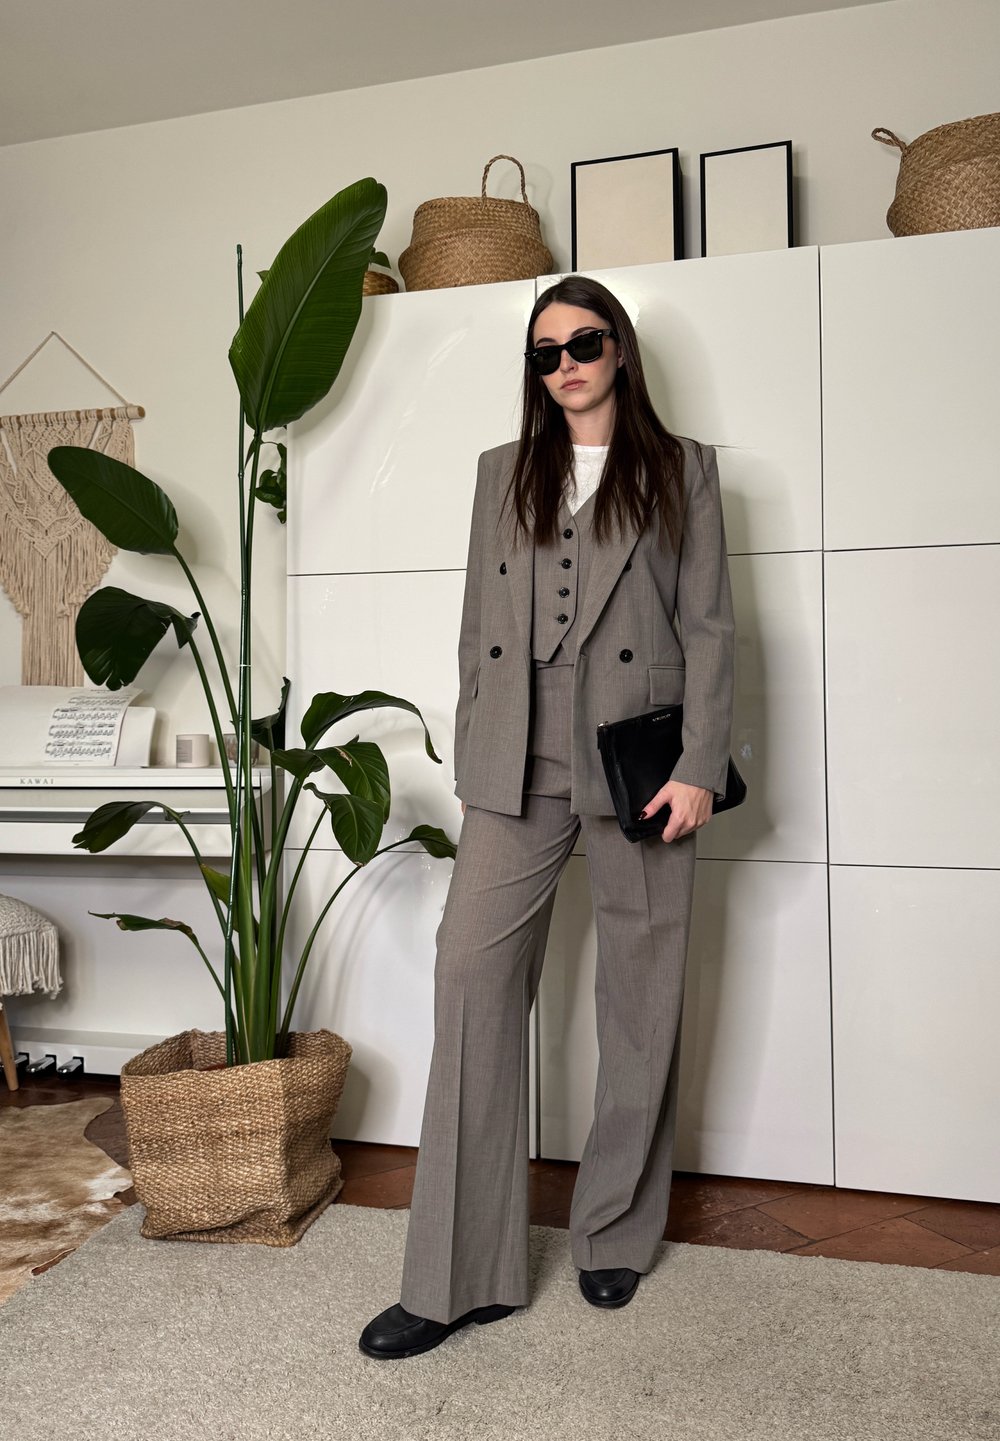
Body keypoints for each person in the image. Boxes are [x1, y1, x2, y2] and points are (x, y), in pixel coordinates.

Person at [359, 274, 735, 1360]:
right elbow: (476, 621)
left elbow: (711, 626)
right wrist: (477, 738)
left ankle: (613, 1230)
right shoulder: (502, 471)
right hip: (515, 755)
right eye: (543, 351)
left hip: (640, 759)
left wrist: (701, 763)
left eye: (583, 342)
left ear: (618, 350)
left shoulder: (681, 468)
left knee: (640, 996)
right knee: (471, 977)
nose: (563, 363)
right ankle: (459, 1274)